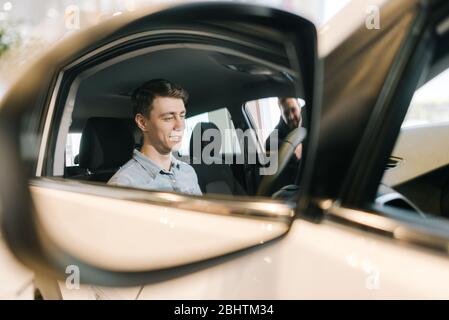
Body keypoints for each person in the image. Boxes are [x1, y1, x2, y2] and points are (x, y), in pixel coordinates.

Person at [108, 79, 202, 195]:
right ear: (142, 122)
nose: (180, 126)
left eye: (182, 116)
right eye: (168, 118)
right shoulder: (123, 185)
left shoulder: (188, 172)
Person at [264, 97, 304, 189]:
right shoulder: (282, 124)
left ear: (299, 107)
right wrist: (291, 148)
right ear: (281, 114)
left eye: (293, 110)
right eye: (286, 113)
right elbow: (268, 142)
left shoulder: (310, 116)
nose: (290, 116)